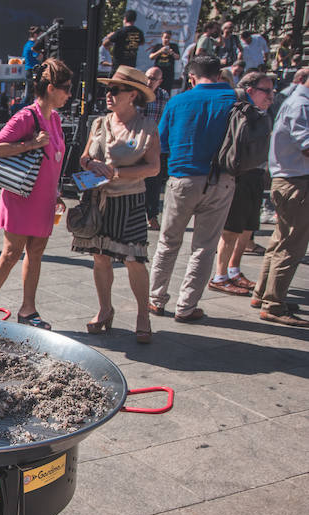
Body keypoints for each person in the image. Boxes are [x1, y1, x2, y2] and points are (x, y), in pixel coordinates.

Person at [0, 58, 72, 330]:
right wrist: (30, 143)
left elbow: (53, 159)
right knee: (11, 252)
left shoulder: (54, 118)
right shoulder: (26, 116)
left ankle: (28, 310)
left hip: (44, 199)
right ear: (51, 88)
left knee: (37, 252)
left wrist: (56, 192)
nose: (69, 95)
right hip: (21, 195)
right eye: (66, 88)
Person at [73, 66, 161, 343]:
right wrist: (91, 164)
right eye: (108, 90)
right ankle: (104, 309)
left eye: (115, 90)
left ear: (133, 94)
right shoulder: (99, 123)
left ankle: (142, 316)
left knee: (134, 258)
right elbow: (84, 157)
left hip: (130, 199)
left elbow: (154, 167)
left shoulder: (146, 126)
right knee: (100, 257)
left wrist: (117, 173)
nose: (109, 95)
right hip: (98, 199)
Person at [149, 56, 238, 323]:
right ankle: (186, 307)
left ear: (191, 77)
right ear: (219, 75)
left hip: (183, 177)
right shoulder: (234, 101)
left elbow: (162, 144)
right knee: (204, 247)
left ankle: (155, 299)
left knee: (168, 242)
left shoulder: (178, 101)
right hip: (222, 179)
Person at [250, 72, 309, 326]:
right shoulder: (302, 104)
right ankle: (274, 304)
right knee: (291, 245)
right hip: (295, 182)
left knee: (280, 241)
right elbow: (306, 145)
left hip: (289, 180)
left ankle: (264, 293)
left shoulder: (295, 100)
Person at [209, 72, 274, 297]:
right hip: (238, 176)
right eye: (266, 90)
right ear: (250, 91)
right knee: (231, 229)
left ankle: (234, 270)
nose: (271, 96)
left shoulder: (263, 113)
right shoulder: (239, 111)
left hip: (256, 174)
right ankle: (219, 276)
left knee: (248, 226)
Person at [143, 66, 170, 230]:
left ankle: (152, 216)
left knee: (154, 184)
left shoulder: (163, 96)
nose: (149, 81)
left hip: (155, 144)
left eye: (153, 79)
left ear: (159, 81)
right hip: (137, 144)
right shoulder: (138, 94)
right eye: (147, 77)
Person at [22, 26, 42, 107]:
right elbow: (38, 56)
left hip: (28, 70)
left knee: (29, 93)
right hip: (32, 71)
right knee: (30, 94)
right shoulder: (32, 46)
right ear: (35, 35)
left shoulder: (26, 44)